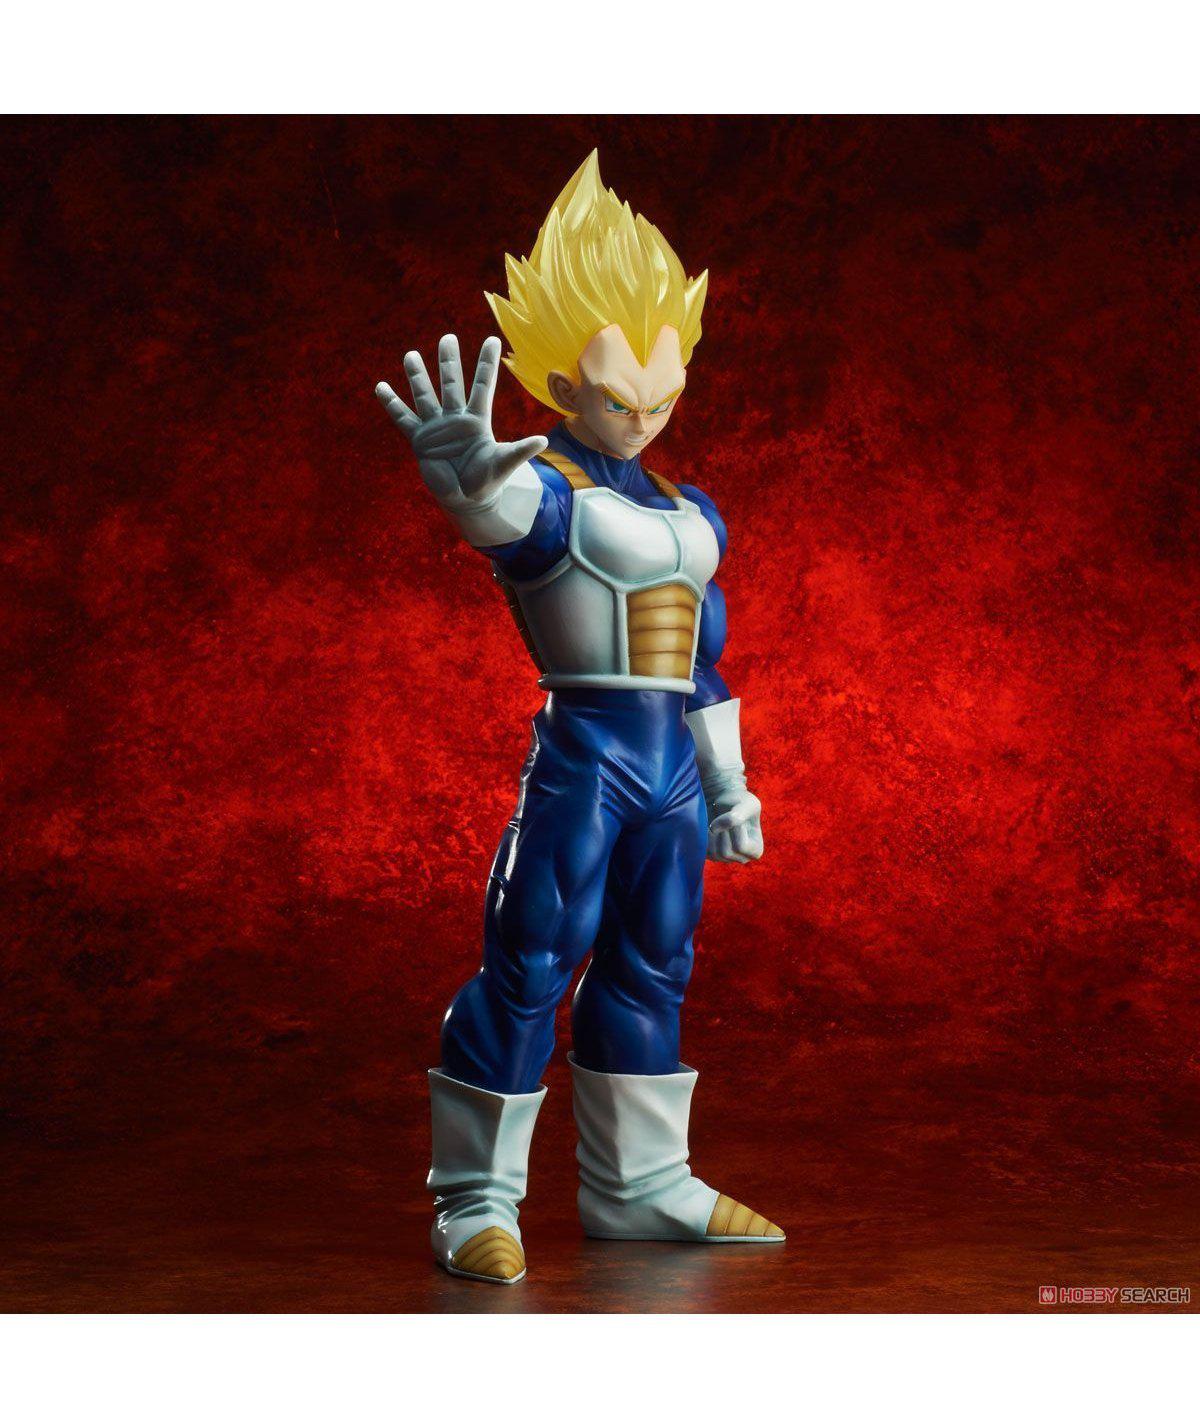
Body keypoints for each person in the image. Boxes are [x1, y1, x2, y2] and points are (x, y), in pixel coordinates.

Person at [376, 152, 782, 1286]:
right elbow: (510, 519)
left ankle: (640, 1183)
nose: (643, 421)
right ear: (562, 384)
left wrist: (731, 786)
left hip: (669, 770)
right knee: (534, 956)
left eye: (663, 399)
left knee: (655, 963)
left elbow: (702, 665)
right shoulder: (550, 486)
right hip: (585, 760)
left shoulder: (691, 513)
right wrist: (466, 485)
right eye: (617, 401)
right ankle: (476, 1198)